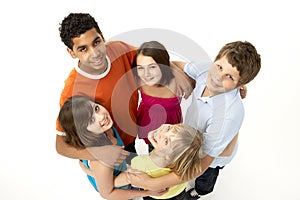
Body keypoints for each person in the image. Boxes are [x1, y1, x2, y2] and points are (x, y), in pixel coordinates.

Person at [126, 40, 261, 200]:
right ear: (215, 60)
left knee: (205, 179)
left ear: (241, 84)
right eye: (219, 67)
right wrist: (175, 73)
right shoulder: (205, 69)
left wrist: (154, 184)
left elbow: (201, 165)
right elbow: (173, 64)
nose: (217, 77)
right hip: (187, 139)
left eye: (229, 77)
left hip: (210, 158)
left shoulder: (227, 116)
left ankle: (199, 192)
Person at [55, 13, 194, 167]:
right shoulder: (72, 90)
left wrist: (172, 68)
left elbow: (151, 59)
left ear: (102, 36)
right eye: (83, 49)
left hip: (130, 138)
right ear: (72, 52)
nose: (95, 53)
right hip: (107, 150)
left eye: (96, 42)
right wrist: (99, 153)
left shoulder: (118, 49)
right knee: (122, 184)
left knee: (139, 171)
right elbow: (60, 145)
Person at [58, 96, 166, 200]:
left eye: (96, 108)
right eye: (91, 120)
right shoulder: (102, 161)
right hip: (118, 191)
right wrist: (147, 193)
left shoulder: (106, 128)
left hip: (116, 172)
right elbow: (108, 194)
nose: (101, 117)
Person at [82, 123, 203, 200]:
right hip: (177, 191)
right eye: (170, 128)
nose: (162, 133)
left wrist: (87, 170)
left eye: (166, 141)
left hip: (158, 196)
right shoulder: (185, 162)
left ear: (170, 157)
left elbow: (111, 183)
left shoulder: (142, 166)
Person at [132, 41, 183, 148]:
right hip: (147, 123)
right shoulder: (138, 78)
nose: (146, 74)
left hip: (169, 128)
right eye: (141, 68)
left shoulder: (178, 80)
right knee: (151, 149)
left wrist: (175, 67)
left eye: (152, 67)